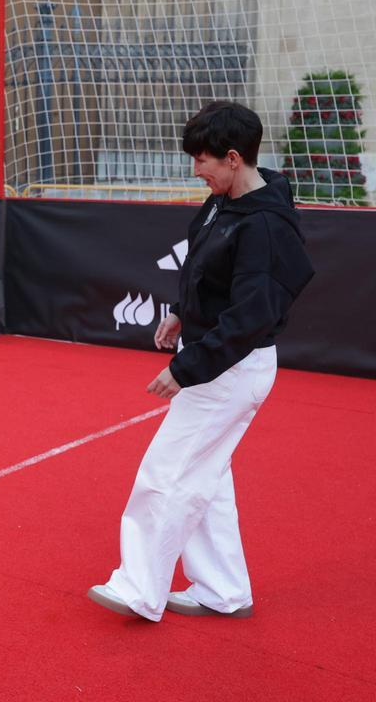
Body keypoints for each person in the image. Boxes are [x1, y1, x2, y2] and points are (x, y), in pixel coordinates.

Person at [87, 101, 315, 622]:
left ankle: (139, 589)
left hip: (231, 369)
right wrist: (179, 314)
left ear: (234, 158)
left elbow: (251, 317)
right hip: (216, 357)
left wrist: (186, 368)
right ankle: (223, 590)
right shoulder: (222, 202)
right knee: (207, 479)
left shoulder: (266, 227)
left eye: (203, 160)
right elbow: (204, 271)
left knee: (165, 472)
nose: (197, 170)